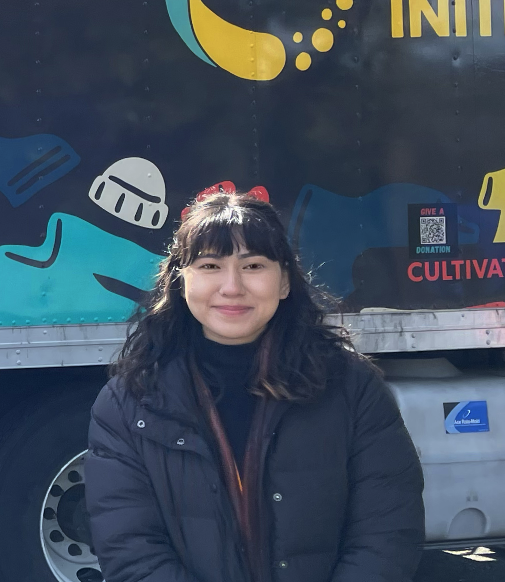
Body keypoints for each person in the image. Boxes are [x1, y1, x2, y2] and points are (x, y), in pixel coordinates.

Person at [81, 191, 424, 582]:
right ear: (180, 282)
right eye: (210, 265)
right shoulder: (129, 401)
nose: (232, 287)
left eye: (253, 265)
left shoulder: (349, 385)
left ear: (284, 282)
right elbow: (130, 549)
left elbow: (387, 530)